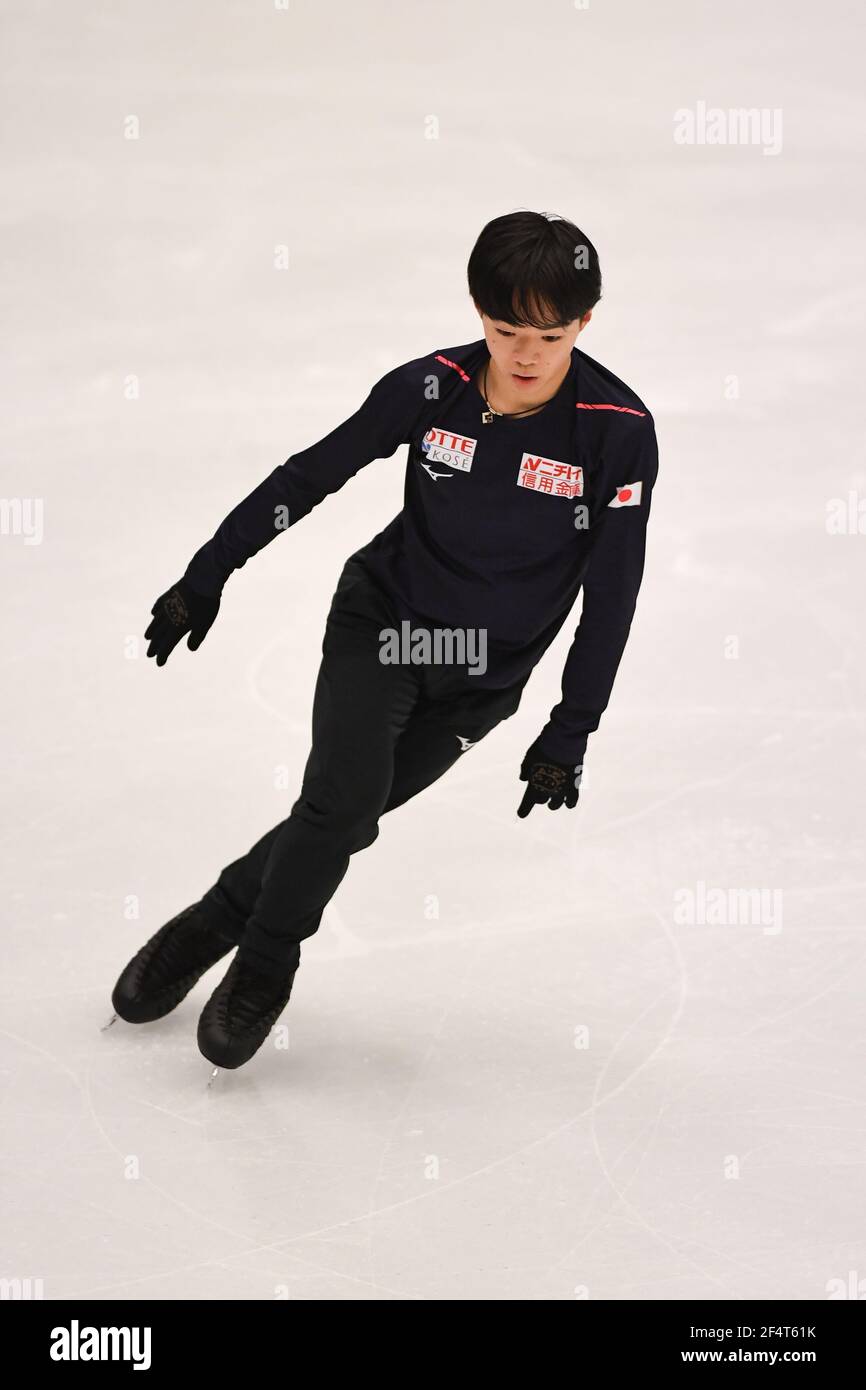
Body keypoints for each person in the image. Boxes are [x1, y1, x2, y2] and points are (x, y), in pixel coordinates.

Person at [110, 209, 660, 1071]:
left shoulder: (614, 431)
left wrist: (570, 728)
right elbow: (310, 476)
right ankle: (263, 968)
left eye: (549, 334)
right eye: (505, 327)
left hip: (482, 673)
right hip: (388, 626)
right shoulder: (429, 388)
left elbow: (614, 592)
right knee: (341, 804)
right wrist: (209, 571)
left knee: (341, 815)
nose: (523, 353)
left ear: (585, 323)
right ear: (479, 313)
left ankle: (214, 917)